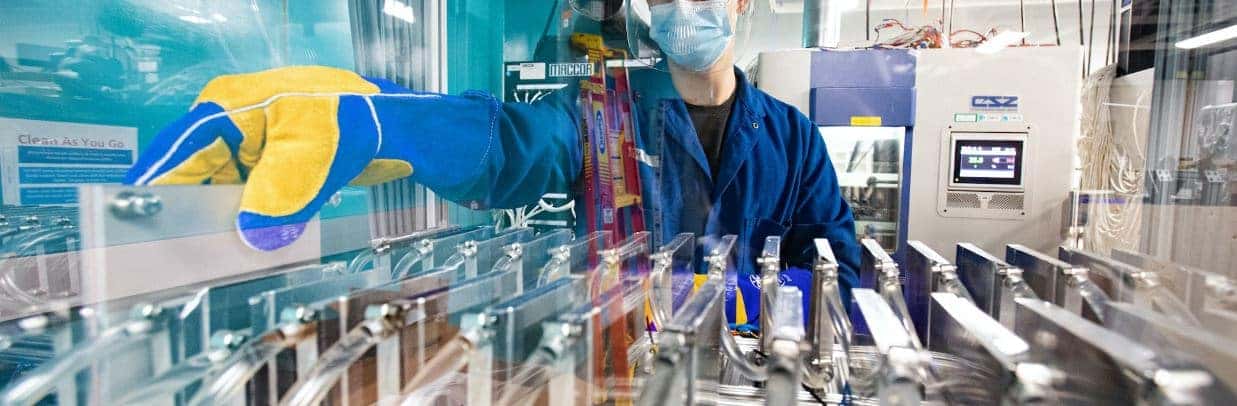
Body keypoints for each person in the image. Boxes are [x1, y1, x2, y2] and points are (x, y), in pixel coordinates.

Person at [124, 0, 860, 328]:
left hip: (757, 375)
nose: (682, 10)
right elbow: (511, 145)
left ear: (740, 2)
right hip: (622, 372)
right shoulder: (606, 116)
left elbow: (844, 280)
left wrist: (723, 298)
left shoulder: (794, 140)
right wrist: (392, 124)